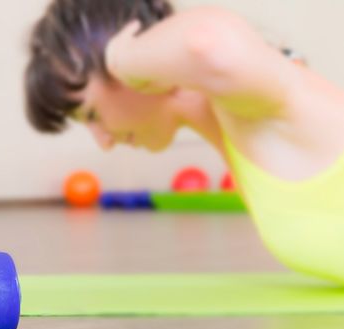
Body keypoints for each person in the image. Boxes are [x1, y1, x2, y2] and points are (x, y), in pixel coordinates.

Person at [24, 0, 344, 285]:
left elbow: (205, 44)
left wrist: (122, 57)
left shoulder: (249, 105)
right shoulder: (237, 120)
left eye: (92, 114)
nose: (104, 141)